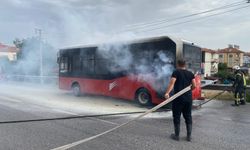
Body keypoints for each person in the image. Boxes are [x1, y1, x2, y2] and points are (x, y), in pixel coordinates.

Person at [165, 59, 196, 142]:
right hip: (188, 98)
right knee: (188, 116)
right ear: (185, 64)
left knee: (177, 116)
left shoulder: (176, 72)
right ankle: (189, 136)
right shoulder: (190, 73)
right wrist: (188, 90)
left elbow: (172, 83)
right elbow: (194, 85)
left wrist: (167, 93)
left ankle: (177, 135)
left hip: (178, 98)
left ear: (178, 64)